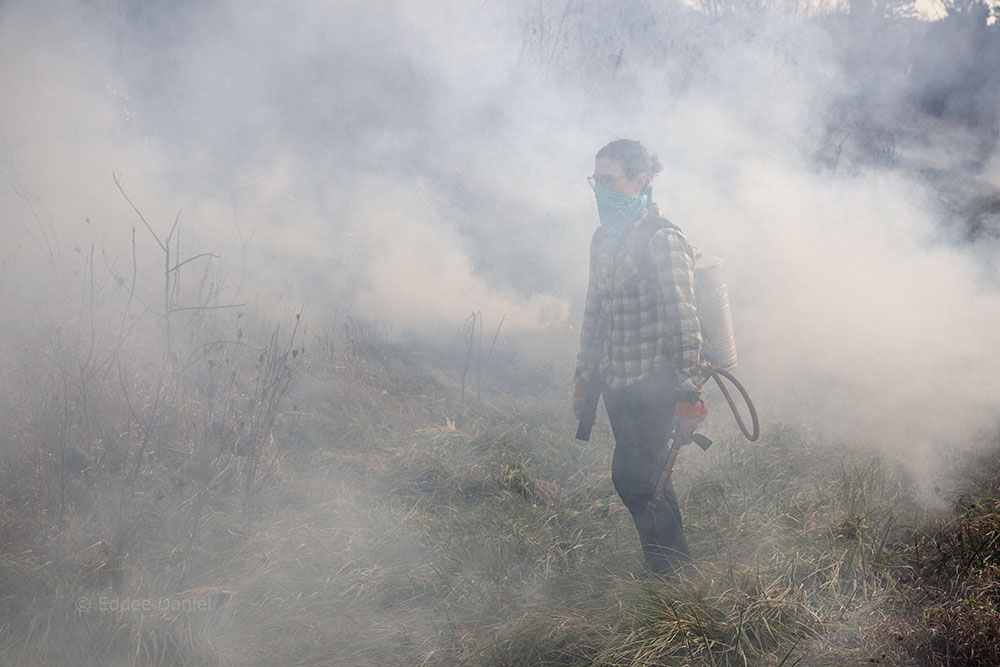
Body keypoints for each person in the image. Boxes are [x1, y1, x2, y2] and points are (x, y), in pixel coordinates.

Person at [573, 138, 710, 576]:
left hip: (655, 383)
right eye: (598, 181)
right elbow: (594, 313)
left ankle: (674, 575)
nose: (602, 191)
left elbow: (684, 321)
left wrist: (689, 393)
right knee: (643, 479)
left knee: (636, 478)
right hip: (616, 383)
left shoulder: (663, 239)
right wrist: (583, 376)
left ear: (640, 181)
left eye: (611, 181)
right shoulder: (603, 241)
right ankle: (666, 567)